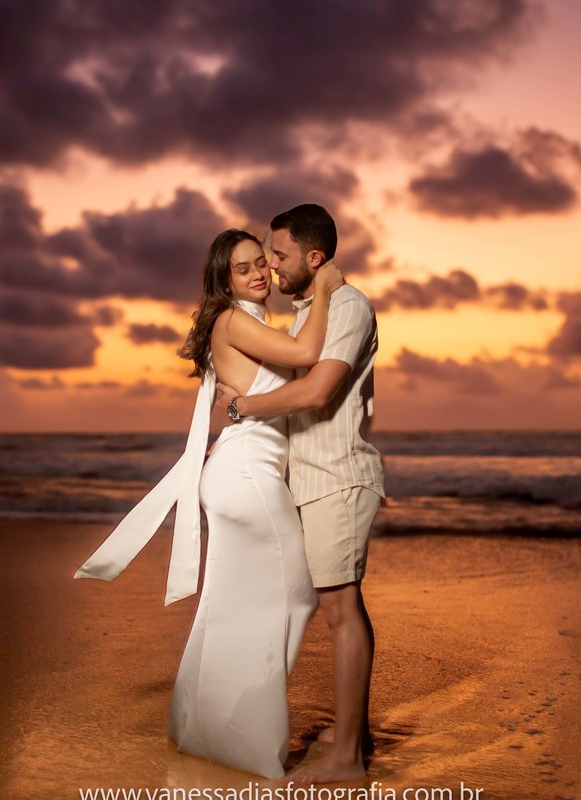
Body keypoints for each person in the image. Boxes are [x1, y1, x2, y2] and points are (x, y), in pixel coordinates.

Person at [74, 228, 344, 779]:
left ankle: (207, 727)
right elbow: (307, 353)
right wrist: (328, 289)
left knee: (232, 602)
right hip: (246, 474)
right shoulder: (233, 320)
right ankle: (243, 735)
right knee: (296, 594)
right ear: (224, 282)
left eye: (260, 264)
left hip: (240, 472)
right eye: (242, 269)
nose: (258, 274)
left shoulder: (248, 324)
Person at [215, 204, 385, 784]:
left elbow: (315, 391)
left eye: (279, 255)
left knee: (341, 609)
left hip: (337, 475)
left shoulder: (346, 304)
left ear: (314, 257)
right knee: (335, 608)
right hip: (308, 477)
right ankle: (352, 732)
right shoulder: (311, 308)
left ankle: (348, 760)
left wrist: (243, 409)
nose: (271, 267)